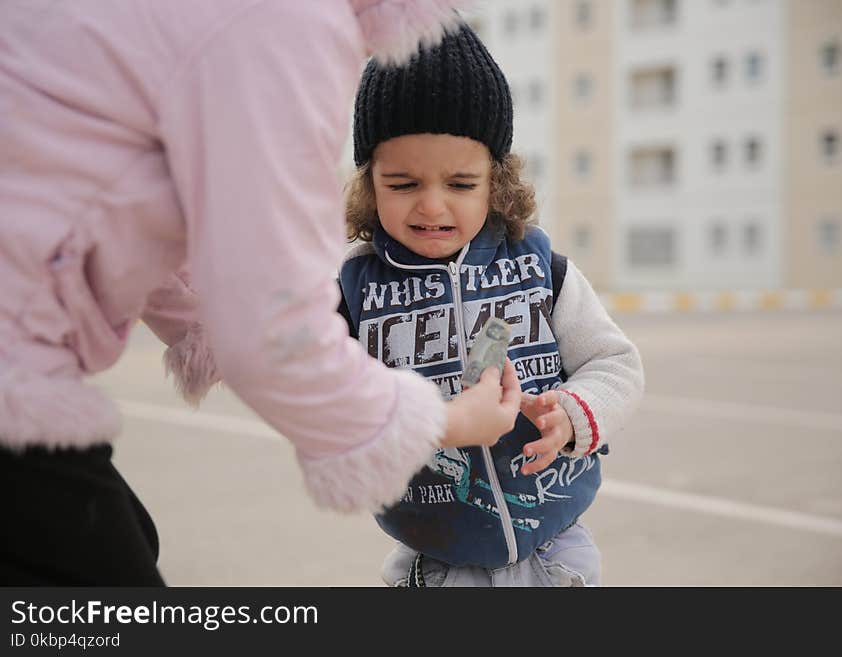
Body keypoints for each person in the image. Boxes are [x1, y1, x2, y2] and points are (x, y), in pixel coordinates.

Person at [0, 0, 523, 586]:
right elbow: (273, 332)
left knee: (124, 536)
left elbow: (124, 191)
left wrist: (204, 321)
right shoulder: (284, 20)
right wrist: (440, 424)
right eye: (402, 182)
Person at [337, 22, 645, 586]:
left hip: (556, 555)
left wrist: (574, 414)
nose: (432, 205)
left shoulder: (539, 266)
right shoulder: (353, 291)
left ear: (495, 181)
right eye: (402, 184)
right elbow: (326, 406)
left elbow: (615, 363)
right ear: (369, 182)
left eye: (460, 183)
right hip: (433, 565)